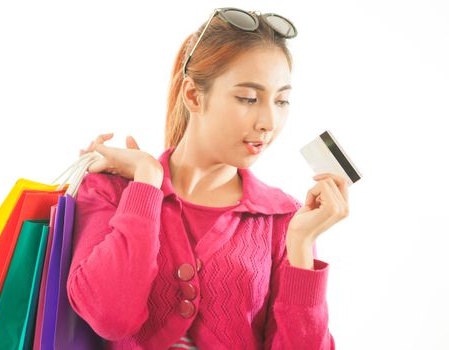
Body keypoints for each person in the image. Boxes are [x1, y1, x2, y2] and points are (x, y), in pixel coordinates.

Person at [66, 7, 349, 349]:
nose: (269, 122)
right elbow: (110, 316)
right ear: (193, 95)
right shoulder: (113, 191)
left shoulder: (284, 220)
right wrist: (147, 180)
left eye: (282, 101)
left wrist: (302, 248)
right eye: (248, 98)